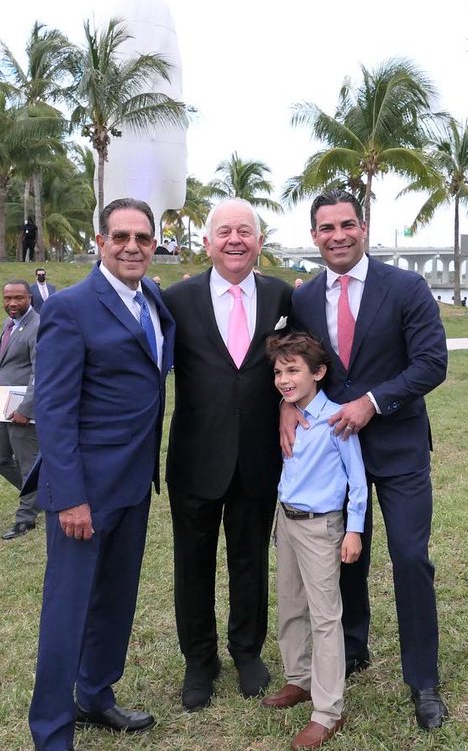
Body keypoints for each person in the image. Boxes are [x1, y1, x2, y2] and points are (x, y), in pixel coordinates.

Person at [286, 189, 449, 730]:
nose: (338, 235)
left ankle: (423, 680)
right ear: (314, 236)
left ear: (364, 227)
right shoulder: (305, 297)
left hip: (397, 445)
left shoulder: (406, 287)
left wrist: (372, 402)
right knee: (344, 556)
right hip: (334, 452)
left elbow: (432, 363)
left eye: (347, 225)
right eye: (326, 227)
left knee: (409, 557)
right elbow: (296, 364)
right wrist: (283, 408)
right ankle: (352, 649)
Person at [25, 197, 175, 751]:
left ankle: (95, 694)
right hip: (84, 491)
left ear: (153, 243)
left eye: (142, 237)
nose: (132, 246)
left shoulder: (154, 298)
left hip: (134, 484)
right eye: (121, 237)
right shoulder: (70, 307)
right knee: (67, 611)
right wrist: (69, 498)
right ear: (101, 242)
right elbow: (56, 410)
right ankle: (51, 732)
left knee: (116, 598)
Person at [162, 199, 293, 711]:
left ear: (260, 242)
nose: (235, 239)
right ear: (207, 243)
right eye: (224, 232)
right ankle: (199, 660)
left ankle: (247, 651)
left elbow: (297, 359)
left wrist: (289, 405)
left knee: (250, 558)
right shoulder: (176, 299)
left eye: (245, 231)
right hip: (195, 455)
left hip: (259, 455)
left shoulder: (282, 295)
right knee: (192, 563)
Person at [262, 332, 365, 751]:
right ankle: (298, 679)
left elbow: (357, 482)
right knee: (290, 605)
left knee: (325, 618)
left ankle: (327, 711)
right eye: (278, 372)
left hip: (323, 528)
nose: (284, 379)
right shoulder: (288, 411)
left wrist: (354, 529)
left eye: (293, 371)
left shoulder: (337, 419)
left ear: (318, 373)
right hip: (286, 521)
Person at [0, 279, 41, 540]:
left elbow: (40, 373)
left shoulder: (38, 326)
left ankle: (26, 518)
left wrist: (26, 408)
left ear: (29, 297)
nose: (12, 303)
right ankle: (40, 494)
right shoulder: (9, 324)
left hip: (22, 409)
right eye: (8, 298)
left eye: (18, 298)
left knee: (27, 462)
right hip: (2, 404)